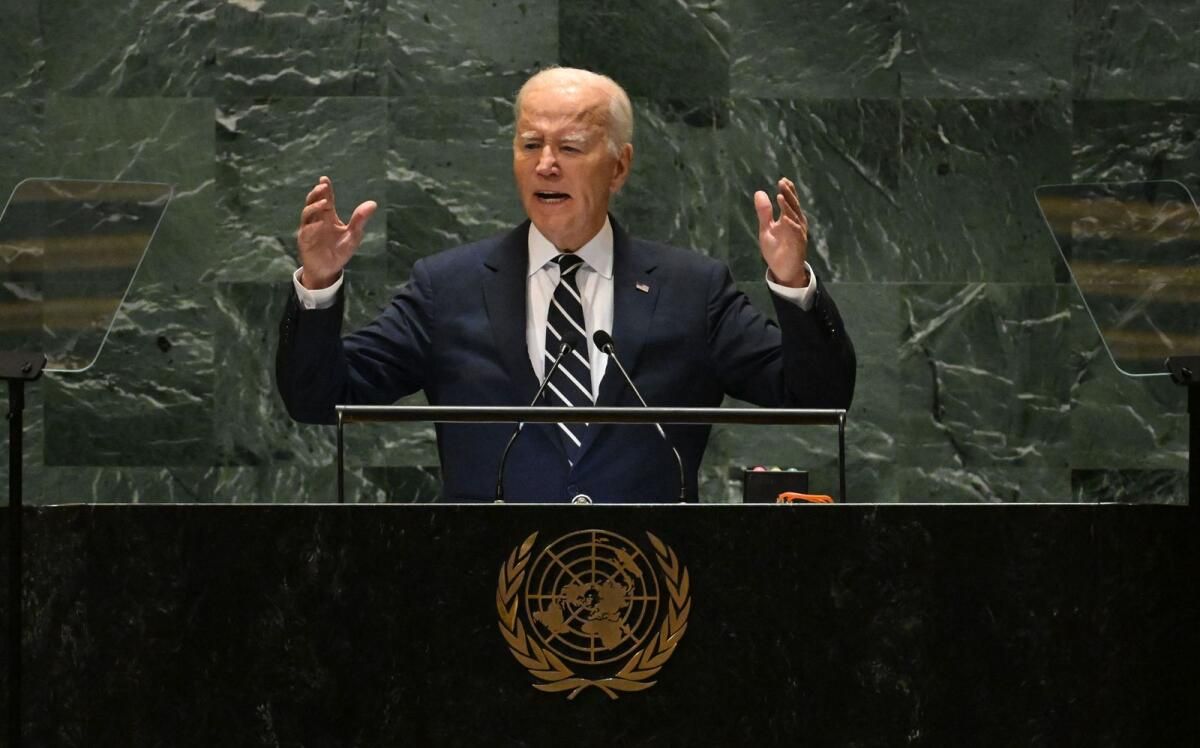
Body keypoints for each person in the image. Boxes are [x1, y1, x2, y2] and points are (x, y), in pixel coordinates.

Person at [276, 67, 856, 502]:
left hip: (651, 589)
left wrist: (792, 283)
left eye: (570, 147)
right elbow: (319, 399)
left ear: (619, 166)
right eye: (530, 145)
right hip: (485, 588)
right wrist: (319, 283)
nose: (545, 164)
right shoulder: (447, 287)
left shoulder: (691, 289)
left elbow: (816, 399)